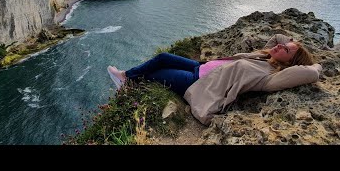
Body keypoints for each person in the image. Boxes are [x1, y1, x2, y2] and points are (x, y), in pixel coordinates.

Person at [107, 34, 322, 125]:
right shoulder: (265, 55)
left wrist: (316, 64)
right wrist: (293, 45)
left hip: (198, 82)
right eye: (285, 44)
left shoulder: (270, 77)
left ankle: (126, 80)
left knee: (153, 74)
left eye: (286, 50)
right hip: (202, 68)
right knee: (163, 57)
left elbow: (311, 73)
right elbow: (277, 38)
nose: (279, 46)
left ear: (290, 64)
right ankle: (127, 75)